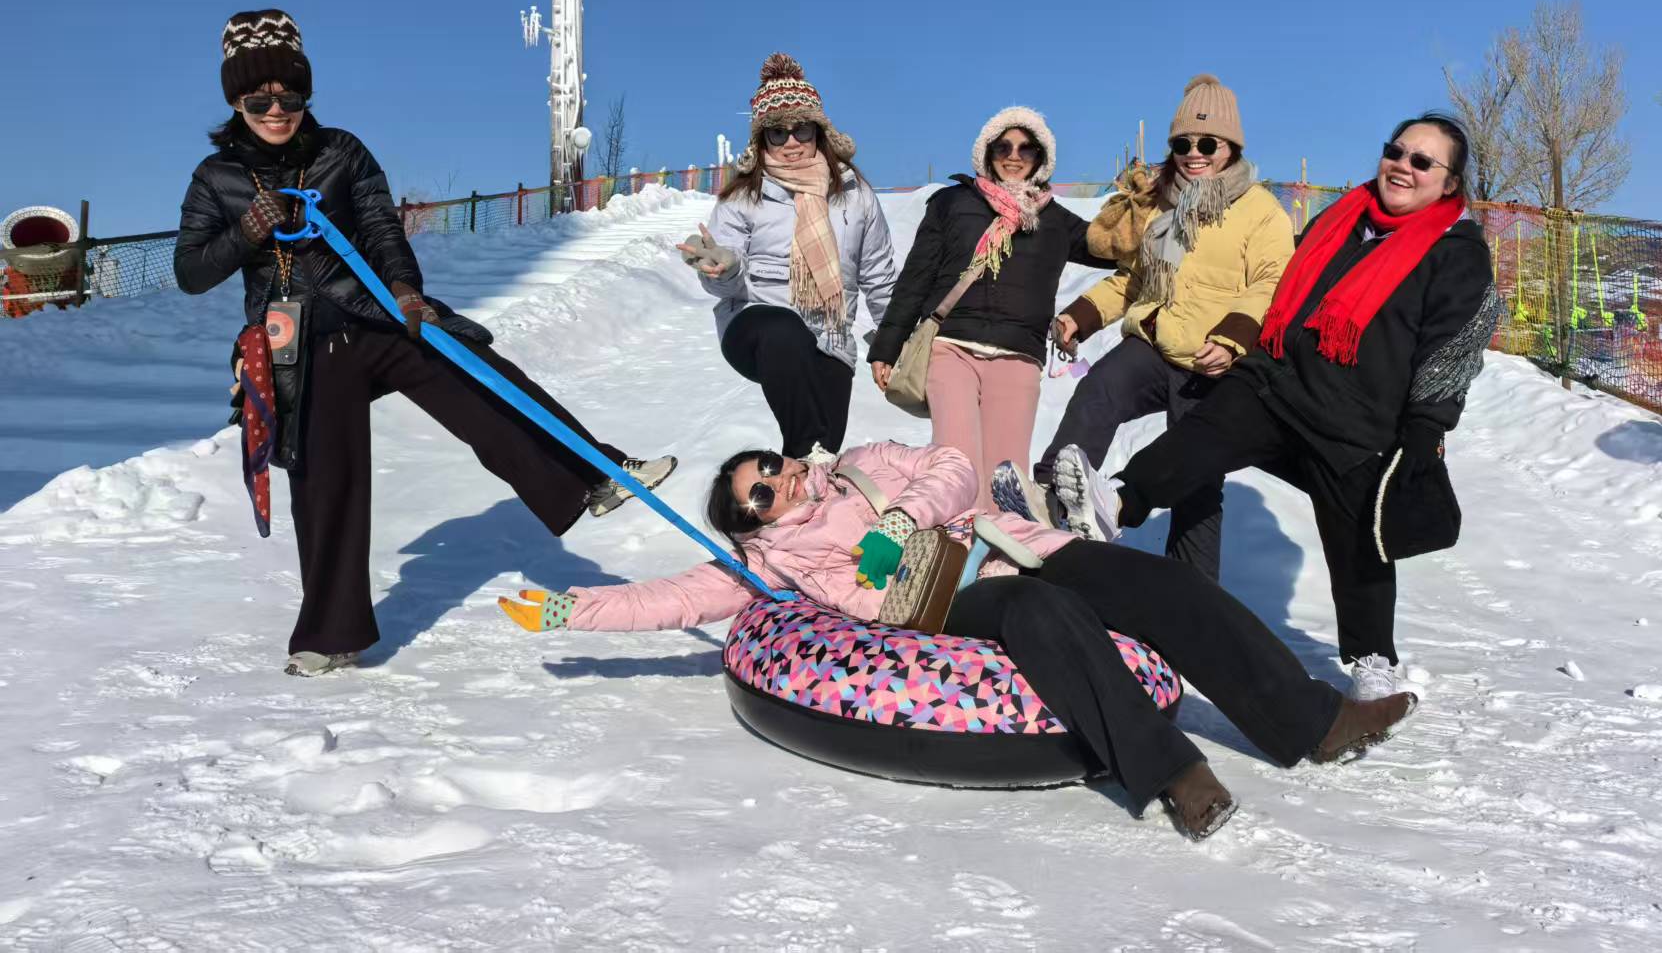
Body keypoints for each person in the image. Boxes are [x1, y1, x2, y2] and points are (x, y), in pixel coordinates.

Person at [498, 439, 1419, 841]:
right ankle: (1171, 773)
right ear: (750, 524)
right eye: (757, 496)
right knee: (1039, 619)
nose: (776, 485)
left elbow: (953, 465)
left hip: (1009, 543)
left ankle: (1313, 721)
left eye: (769, 468)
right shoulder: (768, 563)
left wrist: (898, 512)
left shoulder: (857, 465)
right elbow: (669, 598)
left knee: (1160, 582)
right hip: (948, 606)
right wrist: (569, 611)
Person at [174, 9, 676, 677]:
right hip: (300, 344)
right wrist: (246, 233)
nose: (276, 109)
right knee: (327, 482)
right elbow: (190, 270)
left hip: (379, 314)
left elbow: (383, 229)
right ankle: (330, 633)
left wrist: (408, 290)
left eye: (290, 95)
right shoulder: (217, 178)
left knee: (477, 374)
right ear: (235, 101)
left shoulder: (342, 152)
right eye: (258, 98)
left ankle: (597, 474)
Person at [1054, 112, 1499, 701]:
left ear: (1449, 184)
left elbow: (1452, 348)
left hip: (1357, 424)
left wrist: (1426, 428)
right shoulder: (1340, 220)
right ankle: (1117, 501)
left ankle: (1372, 661)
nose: (1403, 167)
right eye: (1396, 152)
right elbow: (1280, 287)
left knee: (1357, 538)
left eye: (1423, 161)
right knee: (1205, 433)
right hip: (1280, 386)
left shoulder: (1455, 254)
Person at [1034, 75, 1294, 579]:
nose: (1193, 154)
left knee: (1194, 479)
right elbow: (1134, 281)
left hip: (1213, 361)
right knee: (1100, 389)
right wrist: (1079, 317)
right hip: (1157, 344)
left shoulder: (1260, 210)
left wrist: (1233, 337)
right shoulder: (1163, 205)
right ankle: (1053, 501)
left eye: (1207, 144)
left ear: (1231, 147)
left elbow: (1272, 282)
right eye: (1181, 143)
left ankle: (1190, 596)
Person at [867, 107, 1109, 514]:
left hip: (1018, 355)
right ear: (987, 152)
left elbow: (1113, 249)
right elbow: (916, 278)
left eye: (1026, 149)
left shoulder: (1055, 220)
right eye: (1003, 146)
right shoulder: (951, 203)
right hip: (951, 347)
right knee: (956, 466)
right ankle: (952, 562)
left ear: (1041, 158)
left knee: (1005, 477)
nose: (1014, 156)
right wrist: (886, 346)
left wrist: (1145, 210)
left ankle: (999, 566)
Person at [676, 53, 897, 458]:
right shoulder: (745, 196)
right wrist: (721, 267)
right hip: (756, 328)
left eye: (802, 129)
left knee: (822, 456)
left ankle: (800, 491)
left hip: (830, 338)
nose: (791, 142)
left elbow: (879, 277)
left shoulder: (854, 195)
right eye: (777, 133)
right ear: (761, 139)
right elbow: (722, 277)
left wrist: (893, 343)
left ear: (820, 132)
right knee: (783, 330)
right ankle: (800, 456)